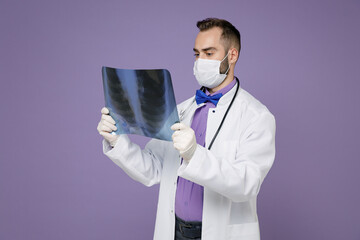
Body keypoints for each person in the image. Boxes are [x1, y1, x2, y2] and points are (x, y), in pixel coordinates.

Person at [97, 18, 276, 240]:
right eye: (197, 54)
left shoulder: (256, 117)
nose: (200, 61)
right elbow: (153, 169)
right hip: (174, 230)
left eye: (209, 53)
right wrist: (117, 141)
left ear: (232, 55)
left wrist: (194, 155)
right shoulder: (181, 110)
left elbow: (247, 184)